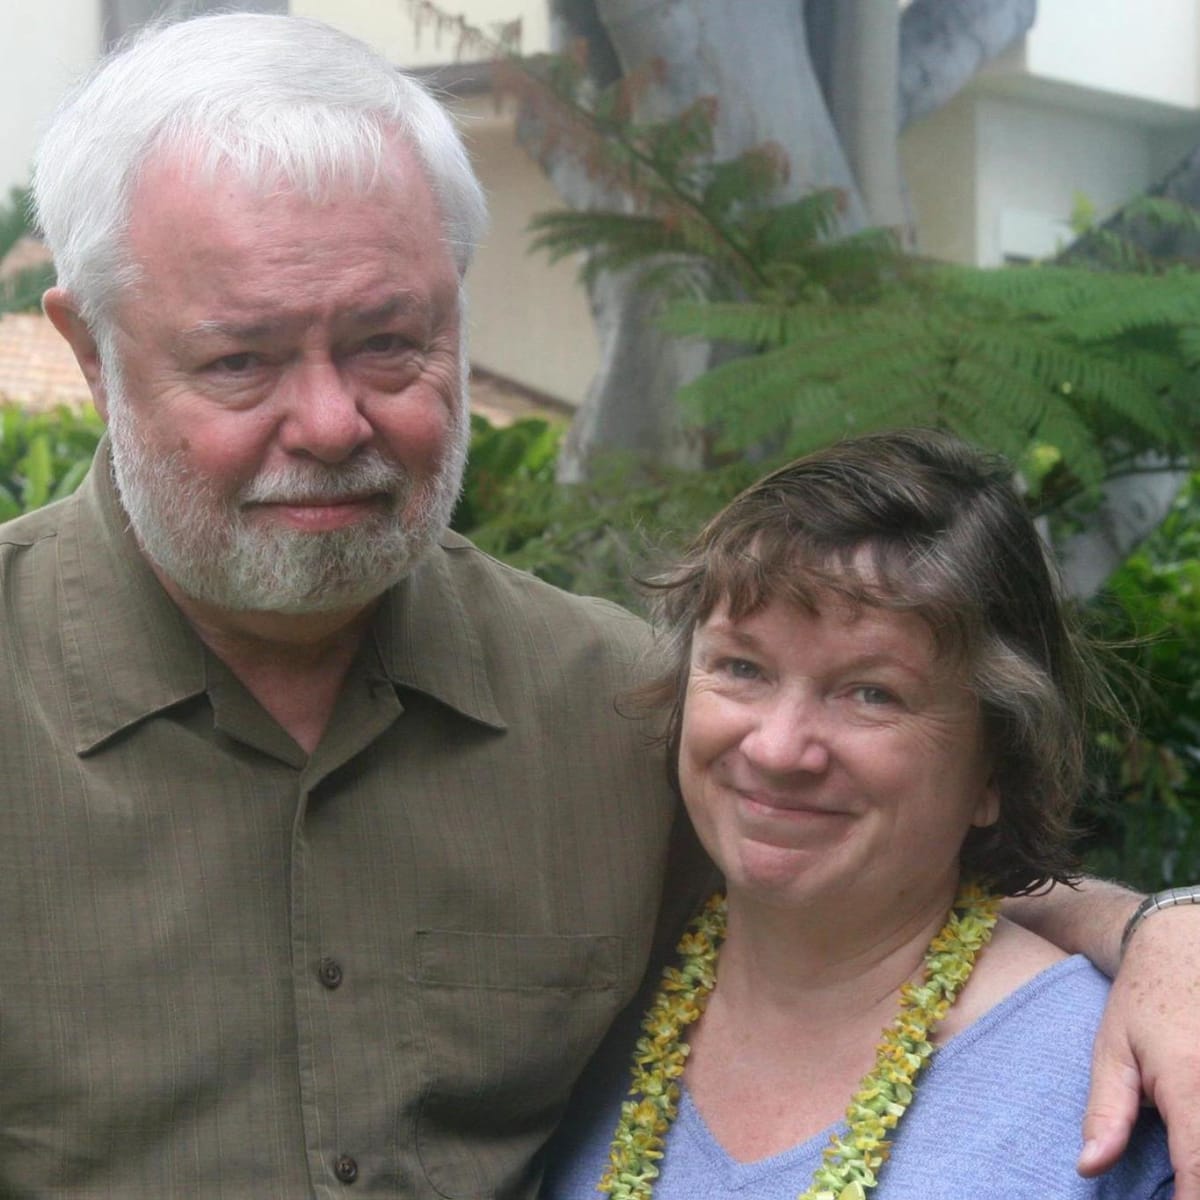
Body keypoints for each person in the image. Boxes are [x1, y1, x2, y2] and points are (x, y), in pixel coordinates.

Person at [0, 11, 1194, 1198]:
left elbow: (893, 862)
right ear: (93, 353)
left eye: (387, 344)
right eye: (240, 361)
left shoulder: (618, 713)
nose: (329, 424)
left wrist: (1153, 935)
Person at [543, 430, 1175, 1198]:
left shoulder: (1119, 1075)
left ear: (996, 768)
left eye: (871, 692)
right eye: (743, 668)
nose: (777, 748)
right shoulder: (590, 998)